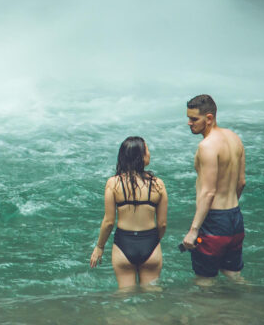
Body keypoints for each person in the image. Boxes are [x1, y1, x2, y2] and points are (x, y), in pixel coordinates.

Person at [90, 136, 168, 288]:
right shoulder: (158, 184)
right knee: (153, 294)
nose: (150, 153)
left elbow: (109, 222)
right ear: (141, 156)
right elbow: (162, 224)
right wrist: (151, 241)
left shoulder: (114, 183)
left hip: (123, 244)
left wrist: (99, 247)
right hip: (150, 242)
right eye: (147, 150)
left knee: (124, 296)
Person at [182, 94, 246, 280]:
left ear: (209, 118)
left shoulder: (207, 146)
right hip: (235, 219)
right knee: (233, 275)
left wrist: (193, 231)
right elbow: (241, 182)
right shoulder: (234, 138)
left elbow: (208, 192)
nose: (189, 123)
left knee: (204, 281)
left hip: (214, 223)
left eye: (194, 119)